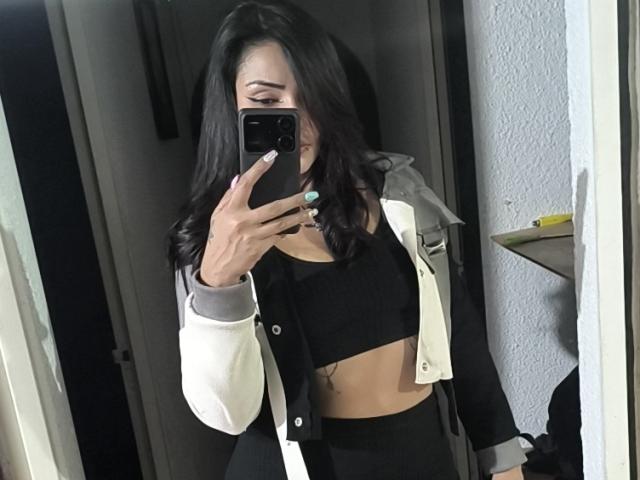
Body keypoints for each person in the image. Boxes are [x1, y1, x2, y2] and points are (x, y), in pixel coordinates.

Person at [166, 1, 527, 478]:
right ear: (229, 108)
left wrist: (503, 458)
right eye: (267, 102)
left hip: (422, 456)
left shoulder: (394, 192)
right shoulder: (208, 239)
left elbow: (458, 329)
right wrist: (219, 281)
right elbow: (227, 414)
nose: (297, 119)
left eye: (311, 95)